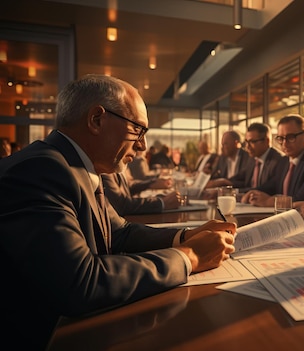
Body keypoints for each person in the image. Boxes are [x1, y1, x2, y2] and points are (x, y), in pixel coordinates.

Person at [0, 74, 235, 348]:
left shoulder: (72, 165)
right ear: (97, 120)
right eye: (139, 129)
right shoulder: (40, 171)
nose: (143, 145)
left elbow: (120, 231)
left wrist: (186, 235)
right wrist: (191, 256)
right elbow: (80, 282)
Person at [242, 114, 304, 206]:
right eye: (281, 138)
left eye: (290, 137)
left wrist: (269, 202)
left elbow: (303, 200)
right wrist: (252, 193)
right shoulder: (284, 161)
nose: (284, 143)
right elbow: (271, 186)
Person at [209, 123, 282, 192]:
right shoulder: (253, 159)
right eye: (247, 142)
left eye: (252, 142)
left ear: (266, 141)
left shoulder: (278, 161)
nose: (247, 146)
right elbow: (241, 178)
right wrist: (222, 182)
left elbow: (266, 189)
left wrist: (233, 192)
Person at [101, 169, 181, 215]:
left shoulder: (117, 163)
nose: (142, 147)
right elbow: (121, 205)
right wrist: (162, 202)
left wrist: (152, 183)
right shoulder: (104, 168)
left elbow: (129, 186)